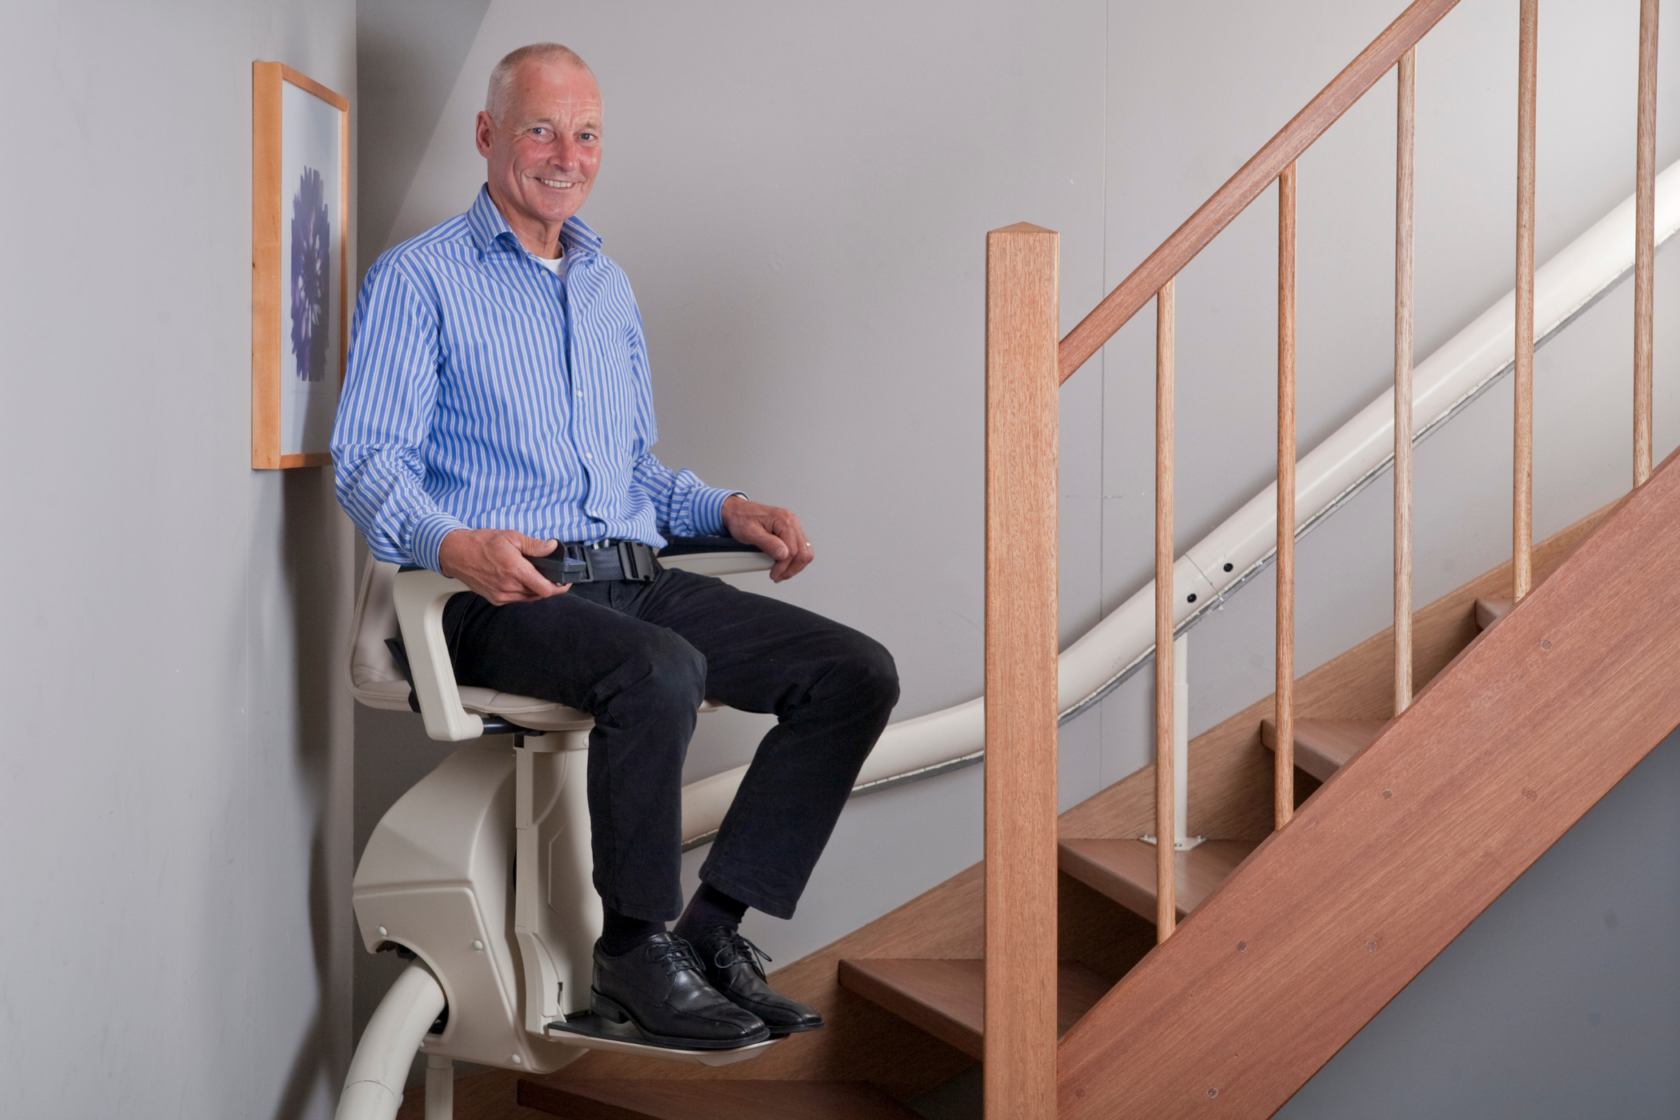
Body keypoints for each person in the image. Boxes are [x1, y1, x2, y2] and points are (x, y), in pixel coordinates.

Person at [331, 42, 899, 1051]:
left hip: (634, 581)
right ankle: (633, 952)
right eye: (541, 129)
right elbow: (368, 461)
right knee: (660, 669)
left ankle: (709, 931)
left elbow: (632, 472)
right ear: (488, 134)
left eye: (586, 134)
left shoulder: (605, 286)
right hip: (498, 596)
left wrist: (726, 509)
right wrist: (454, 545)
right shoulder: (418, 279)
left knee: (853, 673)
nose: (567, 155)